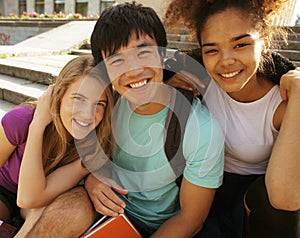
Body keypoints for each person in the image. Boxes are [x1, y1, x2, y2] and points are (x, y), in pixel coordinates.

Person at [20, 2, 225, 237]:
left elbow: (190, 219)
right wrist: (92, 181)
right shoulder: (106, 105)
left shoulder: (202, 130)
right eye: (117, 61)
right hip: (99, 207)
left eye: (143, 52)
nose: (134, 70)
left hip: (154, 226)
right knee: (66, 211)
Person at [164, 0, 300, 237]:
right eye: (212, 50)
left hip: (254, 208)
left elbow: (284, 198)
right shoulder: (195, 79)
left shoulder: (281, 103)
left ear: (265, 43)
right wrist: (165, 81)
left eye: (240, 45)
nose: (226, 60)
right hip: (200, 193)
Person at [0, 55, 114, 237]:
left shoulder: (92, 149)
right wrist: (37, 124)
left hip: (33, 203)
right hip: (3, 190)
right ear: (58, 96)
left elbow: (29, 198)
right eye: (78, 99)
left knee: (40, 210)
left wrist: (36, 128)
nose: (87, 114)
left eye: (99, 104)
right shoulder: (21, 119)